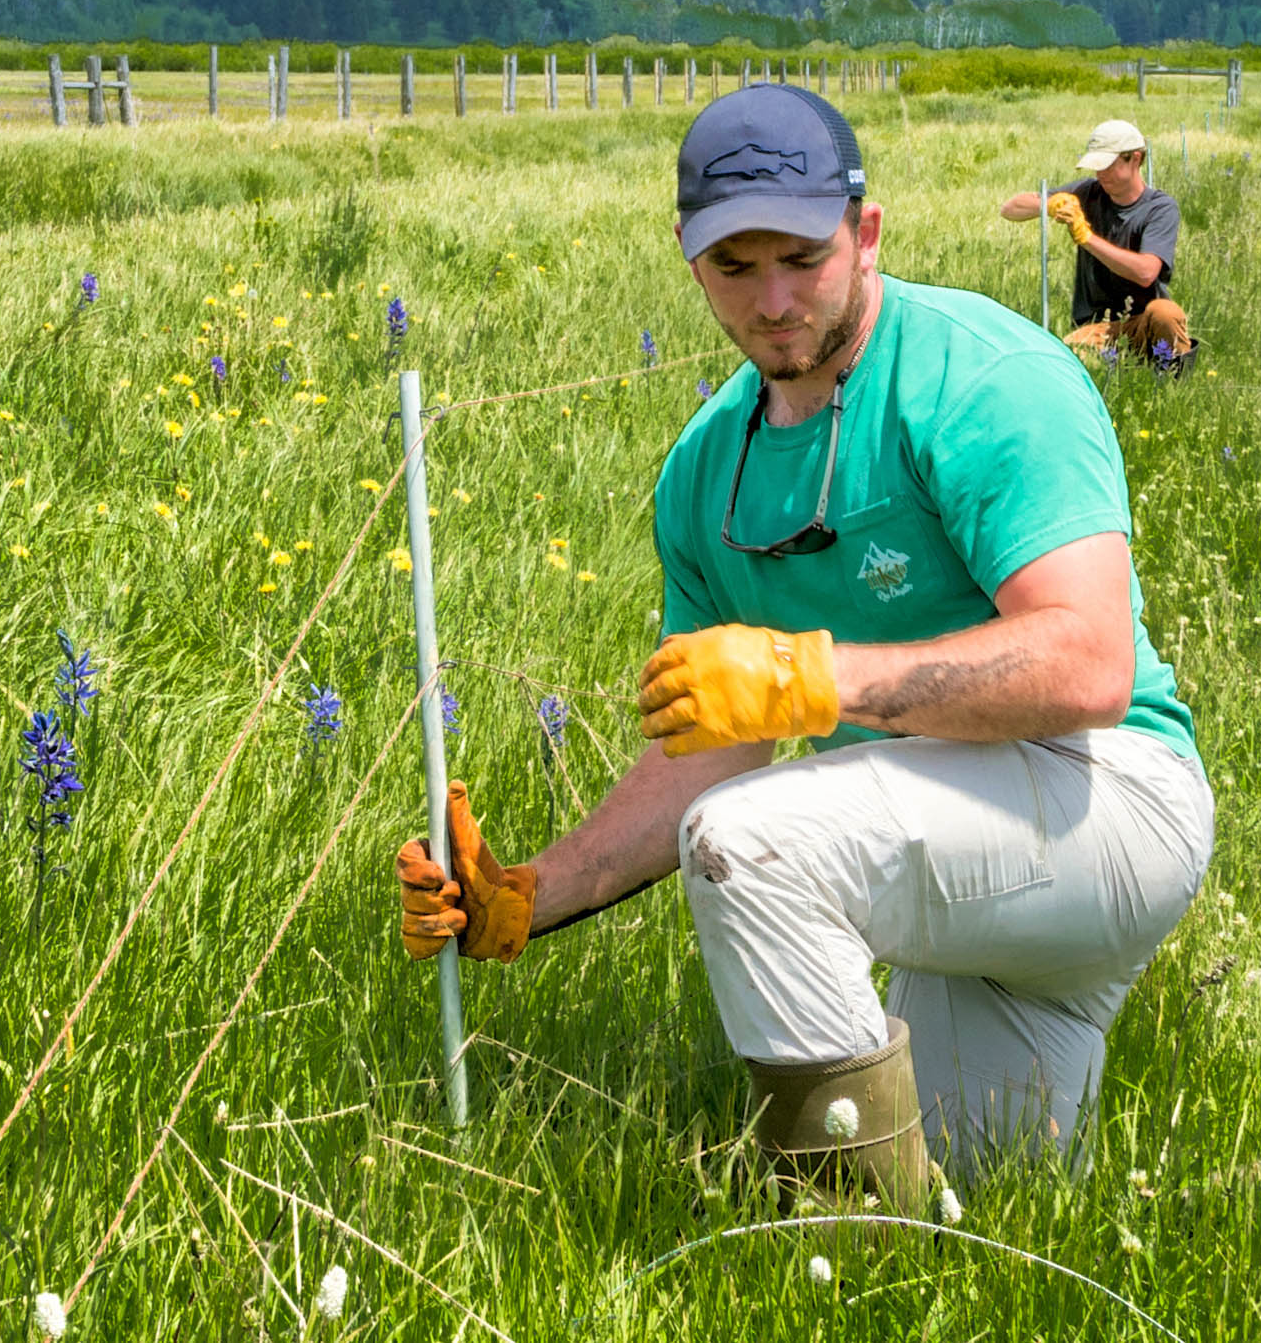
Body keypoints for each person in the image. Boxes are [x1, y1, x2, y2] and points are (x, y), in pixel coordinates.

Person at [396, 82, 1215, 1210]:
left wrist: (811, 677)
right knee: (1002, 1204)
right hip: (973, 873)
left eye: (802, 256)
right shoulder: (704, 474)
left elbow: (1085, 666)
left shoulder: (983, 377)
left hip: (1112, 799)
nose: (773, 301)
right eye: (734, 268)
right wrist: (536, 893)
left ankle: (845, 1270)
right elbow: (709, 748)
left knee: (754, 845)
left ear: (864, 232)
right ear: (690, 263)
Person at [999, 119, 1191, 363]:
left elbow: (1145, 272)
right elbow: (1009, 209)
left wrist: (1086, 237)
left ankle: (1173, 376)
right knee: (1066, 359)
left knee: (1166, 313)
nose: (1100, 174)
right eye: (1097, 166)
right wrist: (1049, 204)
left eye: (1108, 165)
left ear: (1135, 159)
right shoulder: (1088, 192)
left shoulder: (1160, 209)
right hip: (1097, 324)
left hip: (1144, 322)